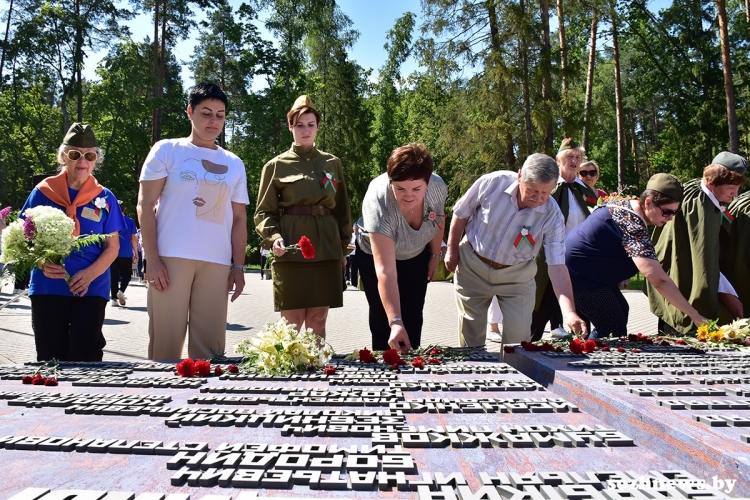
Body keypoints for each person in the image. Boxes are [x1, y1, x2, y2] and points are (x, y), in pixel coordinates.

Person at [138, 82, 249, 360]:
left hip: (217, 262)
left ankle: (207, 401)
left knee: (210, 353)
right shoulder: (167, 150)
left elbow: (238, 218)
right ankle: (161, 401)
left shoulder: (234, 163)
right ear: (190, 112)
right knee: (165, 349)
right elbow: (145, 204)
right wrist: (152, 259)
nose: (214, 121)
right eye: (206, 113)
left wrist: (238, 266)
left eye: (220, 115)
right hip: (170, 260)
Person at [444, 153, 587, 348]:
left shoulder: (552, 215)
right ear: (520, 176)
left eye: (545, 193)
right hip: (473, 265)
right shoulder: (492, 183)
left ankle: (512, 375)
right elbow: (461, 214)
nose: (538, 199)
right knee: (471, 336)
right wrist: (452, 250)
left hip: (517, 276)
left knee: (519, 341)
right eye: (532, 191)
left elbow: (557, 265)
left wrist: (569, 312)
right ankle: (476, 373)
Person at [21, 123, 125, 361]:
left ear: (96, 159)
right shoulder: (42, 192)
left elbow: (112, 247)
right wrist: (41, 263)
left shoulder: (105, 197)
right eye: (75, 154)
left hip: (90, 289)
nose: (82, 161)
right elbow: (25, 238)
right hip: (49, 288)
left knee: (86, 357)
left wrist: (89, 275)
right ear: (63, 157)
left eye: (89, 155)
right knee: (50, 358)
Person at [255, 95, 351, 339]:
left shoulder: (332, 163)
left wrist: (340, 250)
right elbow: (264, 211)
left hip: (326, 248)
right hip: (291, 249)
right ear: (290, 127)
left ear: (318, 126)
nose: (305, 130)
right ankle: (289, 371)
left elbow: (342, 210)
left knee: (318, 317)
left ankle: (316, 369)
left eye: (310, 124)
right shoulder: (275, 166)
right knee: (292, 319)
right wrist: (273, 237)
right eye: (299, 125)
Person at [566, 173, 708, 338]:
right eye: (667, 212)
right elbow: (659, 281)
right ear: (648, 203)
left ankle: (596, 351)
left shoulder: (628, 206)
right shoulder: (632, 225)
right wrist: (694, 315)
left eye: (674, 213)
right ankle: (592, 360)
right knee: (612, 324)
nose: (670, 218)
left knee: (621, 310)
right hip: (578, 274)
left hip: (590, 274)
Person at [356, 143, 447, 351]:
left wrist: (434, 256)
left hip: (416, 254)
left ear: (428, 182)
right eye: (400, 188)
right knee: (384, 322)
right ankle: (384, 370)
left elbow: (438, 219)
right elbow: (386, 271)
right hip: (375, 258)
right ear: (390, 182)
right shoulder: (378, 201)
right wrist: (395, 321)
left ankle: (411, 372)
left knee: (413, 318)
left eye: (417, 189)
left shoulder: (438, 187)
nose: (408, 196)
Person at [646, 152, 747, 334]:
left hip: (671, 283)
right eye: (731, 187)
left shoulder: (700, 195)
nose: (735, 193)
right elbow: (704, 261)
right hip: (680, 289)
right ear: (711, 182)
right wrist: (729, 297)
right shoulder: (701, 207)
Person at [531, 138, 597, 341]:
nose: (574, 161)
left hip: (579, 258)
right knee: (542, 302)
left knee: (582, 302)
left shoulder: (584, 189)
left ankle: (584, 347)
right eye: (570, 156)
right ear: (558, 160)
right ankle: (527, 345)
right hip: (551, 256)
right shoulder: (550, 187)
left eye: (578, 157)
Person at [109, 201, 138, 307]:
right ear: (124, 209)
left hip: (112, 252)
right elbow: (133, 238)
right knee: (127, 274)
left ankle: (113, 299)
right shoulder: (130, 221)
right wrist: (136, 253)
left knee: (114, 276)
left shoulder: (111, 220)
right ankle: (121, 291)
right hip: (126, 253)